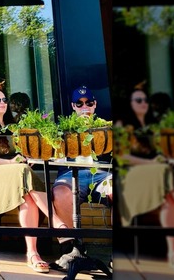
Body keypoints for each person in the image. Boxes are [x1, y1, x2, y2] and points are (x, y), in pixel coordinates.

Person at [0, 83, 69, 273]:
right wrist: (10, 163)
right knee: (22, 173)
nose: (3, 103)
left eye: (4, 100)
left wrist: (25, 158)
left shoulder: (13, 126)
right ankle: (58, 224)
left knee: (27, 196)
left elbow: (21, 153)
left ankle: (32, 253)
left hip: (16, 174)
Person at [115, 84, 174, 272]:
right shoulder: (122, 125)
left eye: (146, 100)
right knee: (163, 172)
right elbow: (121, 156)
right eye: (138, 100)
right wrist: (151, 163)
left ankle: (173, 253)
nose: (143, 103)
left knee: (169, 197)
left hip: (158, 175)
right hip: (131, 176)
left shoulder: (153, 126)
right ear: (130, 103)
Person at [51, 86, 113, 270]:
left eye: (89, 103)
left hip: (101, 173)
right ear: (73, 106)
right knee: (60, 193)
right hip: (70, 173)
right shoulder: (63, 128)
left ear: (95, 105)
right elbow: (54, 154)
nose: (84, 106)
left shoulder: (104, 127)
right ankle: (73, 249)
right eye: (79, 103)